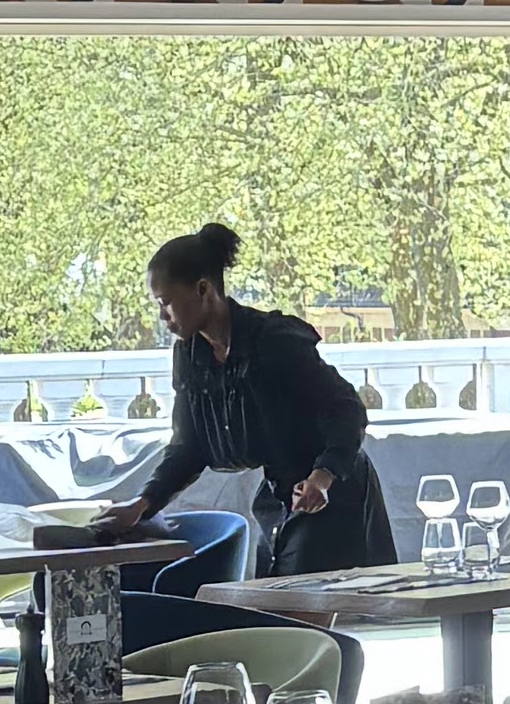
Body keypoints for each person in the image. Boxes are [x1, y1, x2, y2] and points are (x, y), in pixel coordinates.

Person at [138, 225, 393, 578]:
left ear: (202, 289)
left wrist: (322, 476)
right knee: (275, 596)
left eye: (165, 303)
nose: (162, 316)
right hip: (278, 493)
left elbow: (346, 408)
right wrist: (142, 504)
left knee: (304, 596)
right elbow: (188, 447)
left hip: (333, 487)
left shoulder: (274, 340)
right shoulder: (190, 355)